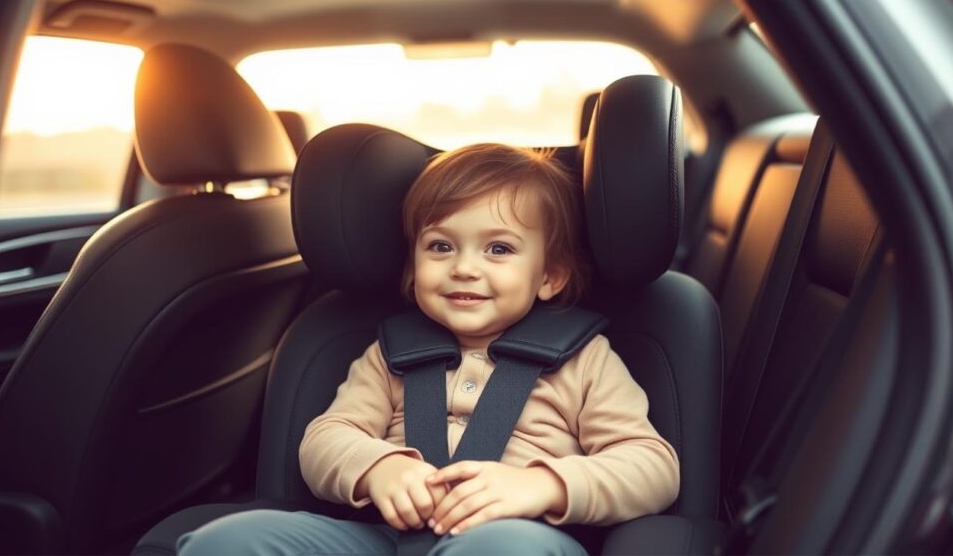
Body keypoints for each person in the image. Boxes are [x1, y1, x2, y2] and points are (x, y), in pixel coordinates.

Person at [177, 143, 680, 556]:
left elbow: (652, 465)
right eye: (441, 246)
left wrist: (544, 486)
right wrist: (379, 468)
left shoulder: (585, 359)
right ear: (413, 264)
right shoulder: (391, 353)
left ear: (549, 275)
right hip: (384, 537)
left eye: (499, 249)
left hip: (518, 537)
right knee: (227, 541)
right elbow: (326, 437)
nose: (464, 268)